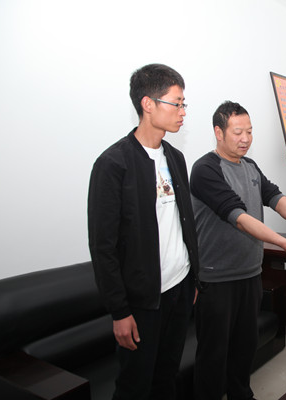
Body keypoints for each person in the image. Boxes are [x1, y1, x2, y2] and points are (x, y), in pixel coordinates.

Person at [190, 100, 286, 400]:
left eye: (249, 131)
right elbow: (238, 217)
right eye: (238, 132)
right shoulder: (205, 169)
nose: (246, 138)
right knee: (213, 356)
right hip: (216, 280)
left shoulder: (249, 166)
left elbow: (273, 196)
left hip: (250, 275)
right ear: (218, 132)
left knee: (244, 349)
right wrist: (285, 243)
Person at [87, 63, 200, 400]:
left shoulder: (175, 158)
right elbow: (103, 247)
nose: (182, 112)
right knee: (135, 385)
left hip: (180, 288)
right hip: (143, 302)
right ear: (148, 104)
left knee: (167, 376)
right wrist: (120, 311)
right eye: (176, 103)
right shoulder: (113, 164)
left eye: (183, 104)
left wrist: (193, 279)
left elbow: (185, 224)